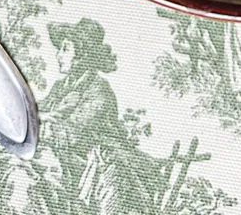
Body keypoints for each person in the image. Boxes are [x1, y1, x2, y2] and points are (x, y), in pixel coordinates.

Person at [42, 19, 157, 214]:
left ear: (82, 54)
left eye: (65, 49)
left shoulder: (99, 91)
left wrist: (39, 125)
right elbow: (36, 111)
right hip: (67, 157)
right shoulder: (60, 87)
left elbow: (71, 133)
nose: (58, 55)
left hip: (98, 162)